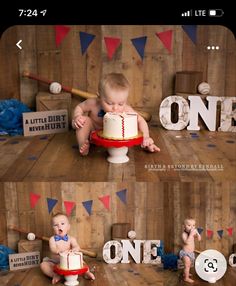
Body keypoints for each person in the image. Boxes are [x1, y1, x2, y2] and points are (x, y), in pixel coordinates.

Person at [72, 73, 161, 155]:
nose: (115, 108)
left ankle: (147, 144)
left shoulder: (125, 109)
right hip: (93, 132)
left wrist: (146, 137)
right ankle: (83, 144)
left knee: (132, 123)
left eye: (121, 104)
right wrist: (77, 116)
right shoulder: (93, 103)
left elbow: (141, 120)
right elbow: (79, 107)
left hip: (115, 136)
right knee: (84, 121)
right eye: (110, 103)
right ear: (99, 97)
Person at [40, 213, 95, 284]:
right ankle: (55, 275)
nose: (59, 226)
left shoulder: (71, 239)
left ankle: (86, 273)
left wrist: (75, 248)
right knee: (43, 265)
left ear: (68, 227)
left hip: (70, 262)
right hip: (56, 262)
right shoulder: (52, 239)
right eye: (56, 225)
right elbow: (53, 249)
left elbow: (76, 246)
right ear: (52, 228)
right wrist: (58, 251)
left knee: (82, 262)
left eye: (62, 223)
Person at [179, 218, 201, 283]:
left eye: (193, 225)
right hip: (185, 253)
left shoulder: (193, 233)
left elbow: (199, 239)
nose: (192, 227)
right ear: (184, 226)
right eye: (189, 225)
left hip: (191, 253)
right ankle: (186, 278)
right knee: (187, 265)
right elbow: (187, 242)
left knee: (188, 265)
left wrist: (197, 233)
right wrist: (191, 234)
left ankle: (185, 273)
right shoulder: (184, 234)